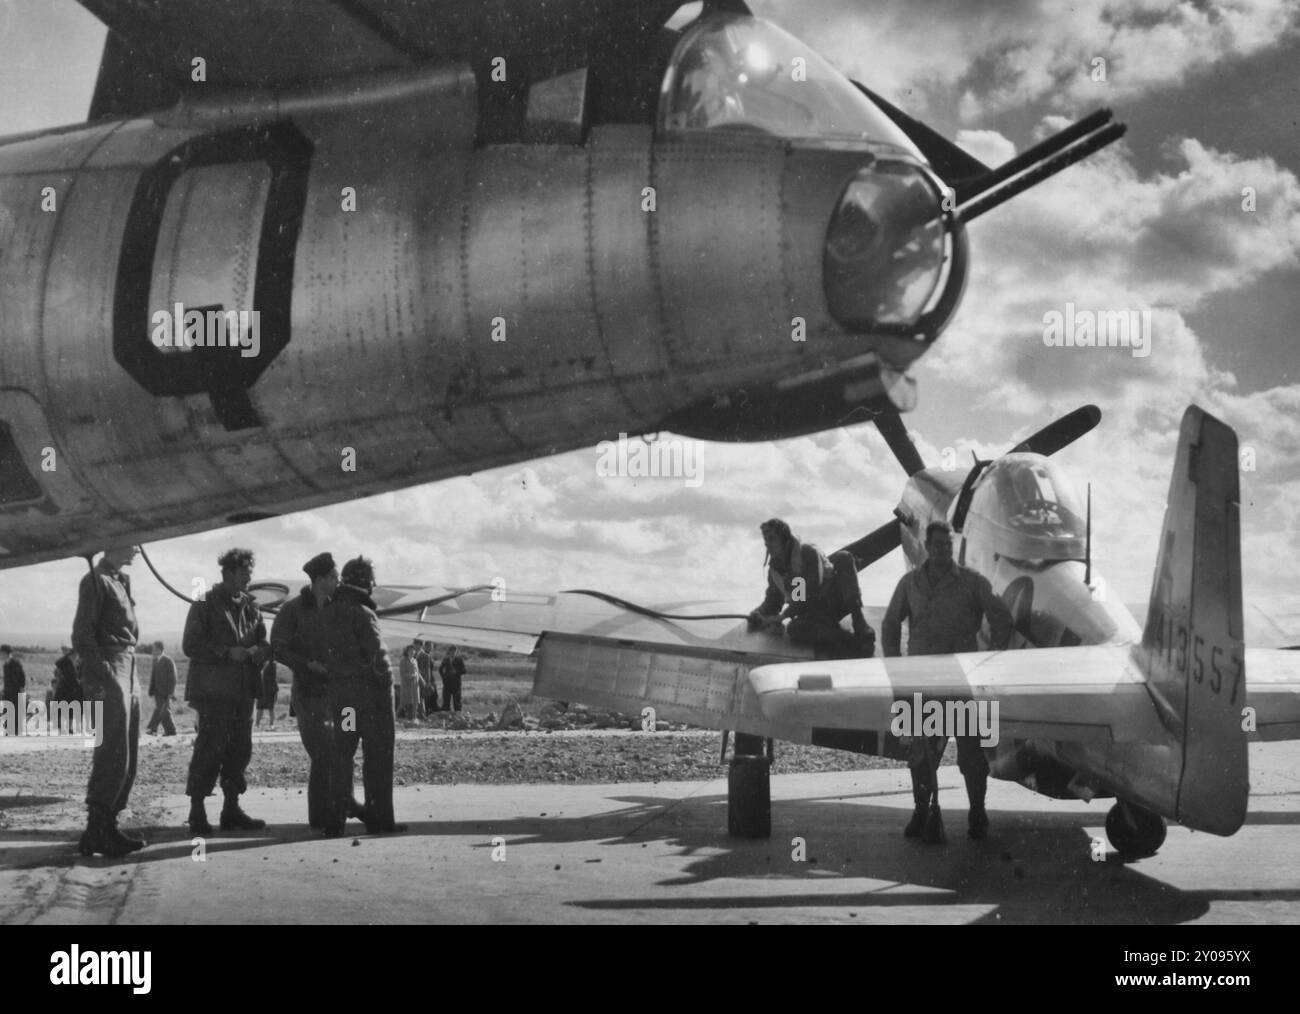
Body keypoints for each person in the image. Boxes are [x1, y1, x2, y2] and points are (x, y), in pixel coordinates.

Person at [882, 521, 1013, 841]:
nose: (942, 550)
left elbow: (1001, 618)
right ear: (927, 546)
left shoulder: (972, 582)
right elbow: (889, 624)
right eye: (937, 544)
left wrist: (992, 661)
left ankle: (978, 814)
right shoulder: (909, 583)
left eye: (947, 545)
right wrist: (895, 670)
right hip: (922, 685)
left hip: (963, 684)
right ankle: (920, 813)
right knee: (920, 756)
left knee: (973, 755)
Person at [269, 552, 363, 832]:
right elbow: (278, 647)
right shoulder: (293, 610)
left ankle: (344, 803)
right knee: (322, 752)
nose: (338, 581)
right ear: (320, 579)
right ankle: (324, 812)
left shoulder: (343, 606)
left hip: (345, 696)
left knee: (346, 748)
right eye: (334, 576)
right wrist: (306, 664)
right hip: (310, 694)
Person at [182, 548, 270, 834]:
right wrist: (226, 652)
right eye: (244, 572)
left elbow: (264, 643)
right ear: (229, 573)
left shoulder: (252, 607)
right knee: (209, 750)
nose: (248, 577)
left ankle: (231, 810)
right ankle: (197, 813)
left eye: (249, 572)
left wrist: (258, 651)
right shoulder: (205, 603)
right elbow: (191, 645)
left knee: (240, 751)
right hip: (214, 693)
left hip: (244, 692)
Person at [70, 543, 145, 858]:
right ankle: (98, 829)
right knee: (112, 751)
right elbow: (81, 635)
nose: (138, 551)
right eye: (133, 542)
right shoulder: (95, 580)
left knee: (126, 751)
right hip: (110, 668)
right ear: (113, 542)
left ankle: (104, 828)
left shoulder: (119, 580)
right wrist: (104, 675)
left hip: (128, 666)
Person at [322, 556, 405, 835]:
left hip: (345, 705)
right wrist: (388, 690)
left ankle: (334, 820)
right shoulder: (364, 613)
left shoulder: (330, 613)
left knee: (343, 755)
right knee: (378, 758)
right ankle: (380, 820)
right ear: (366, 583)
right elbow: (378, 661)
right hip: (372, 705)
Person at [746, 518, 875, 659]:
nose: (767, 545)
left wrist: (783, 615)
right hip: (813, 613)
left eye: (771, 539)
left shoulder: (807, 553)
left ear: (784, 539)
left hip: (834, 600)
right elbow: (773, 601)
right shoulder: (776, 571)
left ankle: (859, 622)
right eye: (766, 541)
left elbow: (809, 593)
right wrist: (758, 613)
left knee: (843, 557)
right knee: (794, 629)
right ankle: (846, 639)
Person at [145, 641, 177, 737]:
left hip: (166, 692)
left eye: (154, 649)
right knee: (160, 710)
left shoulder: (168, 661)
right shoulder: (155, 660)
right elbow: (153, 676)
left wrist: (171, 692)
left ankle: (171, 731)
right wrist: (151, 690)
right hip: (157, 691)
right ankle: (154, 729)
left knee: (164, 711)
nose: (152, 651)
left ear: (159, 649)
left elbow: (173, 678)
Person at [51, 646, 82, 734]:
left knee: (67, 709)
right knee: (67, 709)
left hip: (67, 689)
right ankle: (66, 728)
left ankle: (67, 728)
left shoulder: (70, 663)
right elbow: (72, 677)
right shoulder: (67, 664)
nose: (77, 656)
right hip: (67, 689)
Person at [398, 644, 425, 720]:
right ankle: (395, 716)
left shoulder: (415, 660)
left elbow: (417, 672)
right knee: (404, 702)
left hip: (415, 684)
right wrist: (411, 675)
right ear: (407, 651)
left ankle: (414, 718)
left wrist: (421, 680)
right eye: (410, 650)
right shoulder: (403, 661)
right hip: (407, 684)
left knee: (415, 701)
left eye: (413, 650)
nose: (412, 652)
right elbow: (402, 673)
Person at [439, 645, 466, 713]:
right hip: (447, 683)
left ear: (456, 652)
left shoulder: (459, 660)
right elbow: (440, 669)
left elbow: (464, 670)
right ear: (449, 651)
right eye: (451, 651)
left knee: (457, 702)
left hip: (456, 683)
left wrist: (456, 672)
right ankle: (447, 716)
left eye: (454, 651)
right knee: (446, 702)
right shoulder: (445, 660)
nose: (453, 652)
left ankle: (458, 716)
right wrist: (443, 677)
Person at [255, 659, 279, 729]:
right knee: (260, 708)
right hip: (262, 690)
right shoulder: (261, 663)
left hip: (269, 690)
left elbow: (273, 678)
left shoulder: (272, 664)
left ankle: (271, 724)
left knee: (270, 708)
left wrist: (275, 691)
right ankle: (257, 724)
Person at [416, 640, 438, 714]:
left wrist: (428, 681)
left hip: (426, 677)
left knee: (429, 695)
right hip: (418, 678)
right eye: (429, 646)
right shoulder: (416, 654)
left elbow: (429, 669)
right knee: (420, 696)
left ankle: (427, 711)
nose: (430, 648)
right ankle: (423, 712)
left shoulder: (427, 656)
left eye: (431, 647)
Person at [2, 645, 25, 713]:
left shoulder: (16, 663)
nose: (1, 655)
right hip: (7, 692)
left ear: (6, 653)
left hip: (16, 691)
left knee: (15, 712)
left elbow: (22, 677)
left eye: (2, 653)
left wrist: (21, 690)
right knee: (7, 712)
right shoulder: (5, 665)